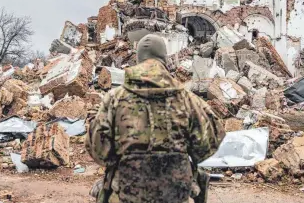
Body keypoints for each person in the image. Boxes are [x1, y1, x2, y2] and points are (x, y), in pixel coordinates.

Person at [86, 34, 225, 203]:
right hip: (175, 197)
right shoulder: (187, 99)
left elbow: (99, 151)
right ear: (164, 59)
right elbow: (208, 144)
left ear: (138, 60)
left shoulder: (114, 98)